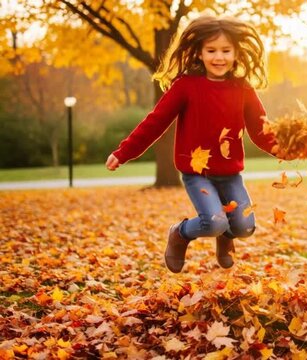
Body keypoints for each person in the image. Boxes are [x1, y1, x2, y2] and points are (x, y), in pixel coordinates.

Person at [105, 16, 279, 273]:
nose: (218, 57)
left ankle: (226, 237)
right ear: (199, 52)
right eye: (211, 50)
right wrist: (124, 152)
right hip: (197, 174)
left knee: (245, 227)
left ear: (235, 53)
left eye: (225, 51)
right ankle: (179, 233)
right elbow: (155, 122)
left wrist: (279, 148)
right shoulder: (186, 86)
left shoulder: (242, 88)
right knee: (214, 221)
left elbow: (260, 128)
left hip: (231, 174)